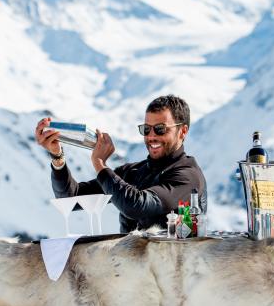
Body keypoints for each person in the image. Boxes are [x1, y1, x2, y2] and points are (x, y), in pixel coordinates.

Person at [34, 95, 207, 234]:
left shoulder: (188, 176)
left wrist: (100, 164)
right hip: (129, 273)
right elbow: (71, 199)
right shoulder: (132, 171)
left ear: (182, 131)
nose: (151, 136)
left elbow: (137, 206)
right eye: (146, 129)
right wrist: (57, 156)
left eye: (160, 129)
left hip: (172, 274)